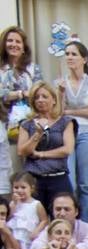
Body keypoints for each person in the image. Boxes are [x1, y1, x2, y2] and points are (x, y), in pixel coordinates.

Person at [53, 41, 88, 222]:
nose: (69, 57)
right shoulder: (60, 82)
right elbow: (57, 112)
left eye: (74, 54)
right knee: (69, 183)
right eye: (67, 54)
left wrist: (68, 112)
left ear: (84, 59)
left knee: (85, 184)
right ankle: (67, 223)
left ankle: (85, 222)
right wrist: (60, 94)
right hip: (67, 133)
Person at [17, 81, 75, 215]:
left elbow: (67, 149)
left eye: (44, 96)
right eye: (36, 97)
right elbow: (22, 151)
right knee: (34, 220)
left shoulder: (65, 122)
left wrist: (40, 154)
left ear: (54, 100)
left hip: (58, 178)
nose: (40, 100)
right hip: (34, 179)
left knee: (62, 218)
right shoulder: (27, 124)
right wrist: (37, 134)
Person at [0, 26, 43, 195]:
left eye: (18, 41)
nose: (14, 44)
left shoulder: (33, 69)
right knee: (6, 167)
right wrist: (21, 93)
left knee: (27, 166)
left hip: (28, 124)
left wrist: (10, 95)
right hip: (3, 123)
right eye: (10, 41)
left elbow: (39, 91)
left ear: (24, 46)